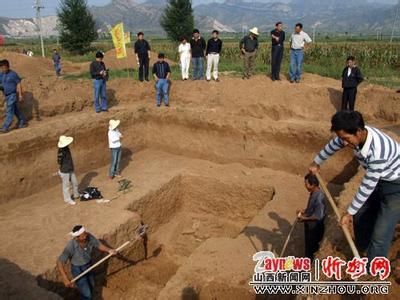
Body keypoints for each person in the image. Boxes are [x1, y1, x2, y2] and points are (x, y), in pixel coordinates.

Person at [309, 110, 400, 263]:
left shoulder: (378, 152)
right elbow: (334, 144)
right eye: (341, 138)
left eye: (345, 138)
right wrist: (317, 161)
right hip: (381, 179)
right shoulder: (354, 135)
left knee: (381, 234)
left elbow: (367, 186)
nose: (343, 143)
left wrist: (349, 213)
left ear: (358, 131)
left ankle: (374, 270)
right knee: (361, 214)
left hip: (396, 187)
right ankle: (363, 249)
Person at [57, 225, 117, 300]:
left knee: (92, 286)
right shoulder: (71, 246)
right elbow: (59, 262)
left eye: (85, 234)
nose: (85, 237)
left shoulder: (89, 237)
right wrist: (65, 278)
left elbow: (98, 245)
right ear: (76, 238)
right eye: (82, 236)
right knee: (86, 294)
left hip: (88, 265)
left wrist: (109, 250)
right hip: (77, 269)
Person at [297, 174, 326, 260]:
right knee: (308, 245)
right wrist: (304, 211)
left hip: (315, 227)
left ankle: (310, 264)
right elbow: (313, 208)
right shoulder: (314, 192)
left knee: (312, 247)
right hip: (310, 224)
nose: (305, 186)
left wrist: (304, 218)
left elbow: (318, 216)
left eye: (306, 184)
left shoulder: (319, 197)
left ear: (313, 185)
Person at [0, 59, 26, 134]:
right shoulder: (1, 75)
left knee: (9, 111)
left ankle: (5, 127)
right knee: (15, 110)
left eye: (4, 68)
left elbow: (18, 84)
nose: (3, 69)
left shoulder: (13, 74)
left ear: (8, 67)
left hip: (12, 95)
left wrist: (20, 95)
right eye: (1, 68)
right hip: (7, 96)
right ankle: (22, 122)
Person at [57, 135, 79, 205]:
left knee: (75, 183)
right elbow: (59, 161)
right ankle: (67, 199)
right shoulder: (61, 152)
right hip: (65, 171)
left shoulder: (67, 148)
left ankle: (76, 195)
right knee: (66, 187)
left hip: (70, 169)